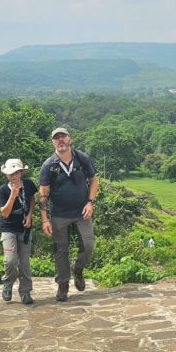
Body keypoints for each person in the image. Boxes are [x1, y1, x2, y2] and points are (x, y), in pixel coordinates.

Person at [39, 127, 98, 302]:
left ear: (70, 139)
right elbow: (43, 193)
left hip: (81, 211)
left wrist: (90, 202)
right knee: (61, 250)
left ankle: (78, 269)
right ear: (53, 142)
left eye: (63, 137)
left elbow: (94, 179)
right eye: (56, 138)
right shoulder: (49, 165)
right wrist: (44, 219)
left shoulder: (81, 158)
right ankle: (63, 284)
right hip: (59, 213)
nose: (60, 140)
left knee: (88, 245)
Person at [0, 158, 37, 305]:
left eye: (16, 172)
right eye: (10, 173)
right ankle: (8, 285)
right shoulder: (3, 190)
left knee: (24, 263)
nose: (13, 176)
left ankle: (25, 292)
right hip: (8, 229)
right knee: (10, 261)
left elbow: (32, 199)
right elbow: (4, 213)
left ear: (21, 172)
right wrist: (13, 195)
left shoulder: (28, 185)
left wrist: (29, 216)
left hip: (25, 229)